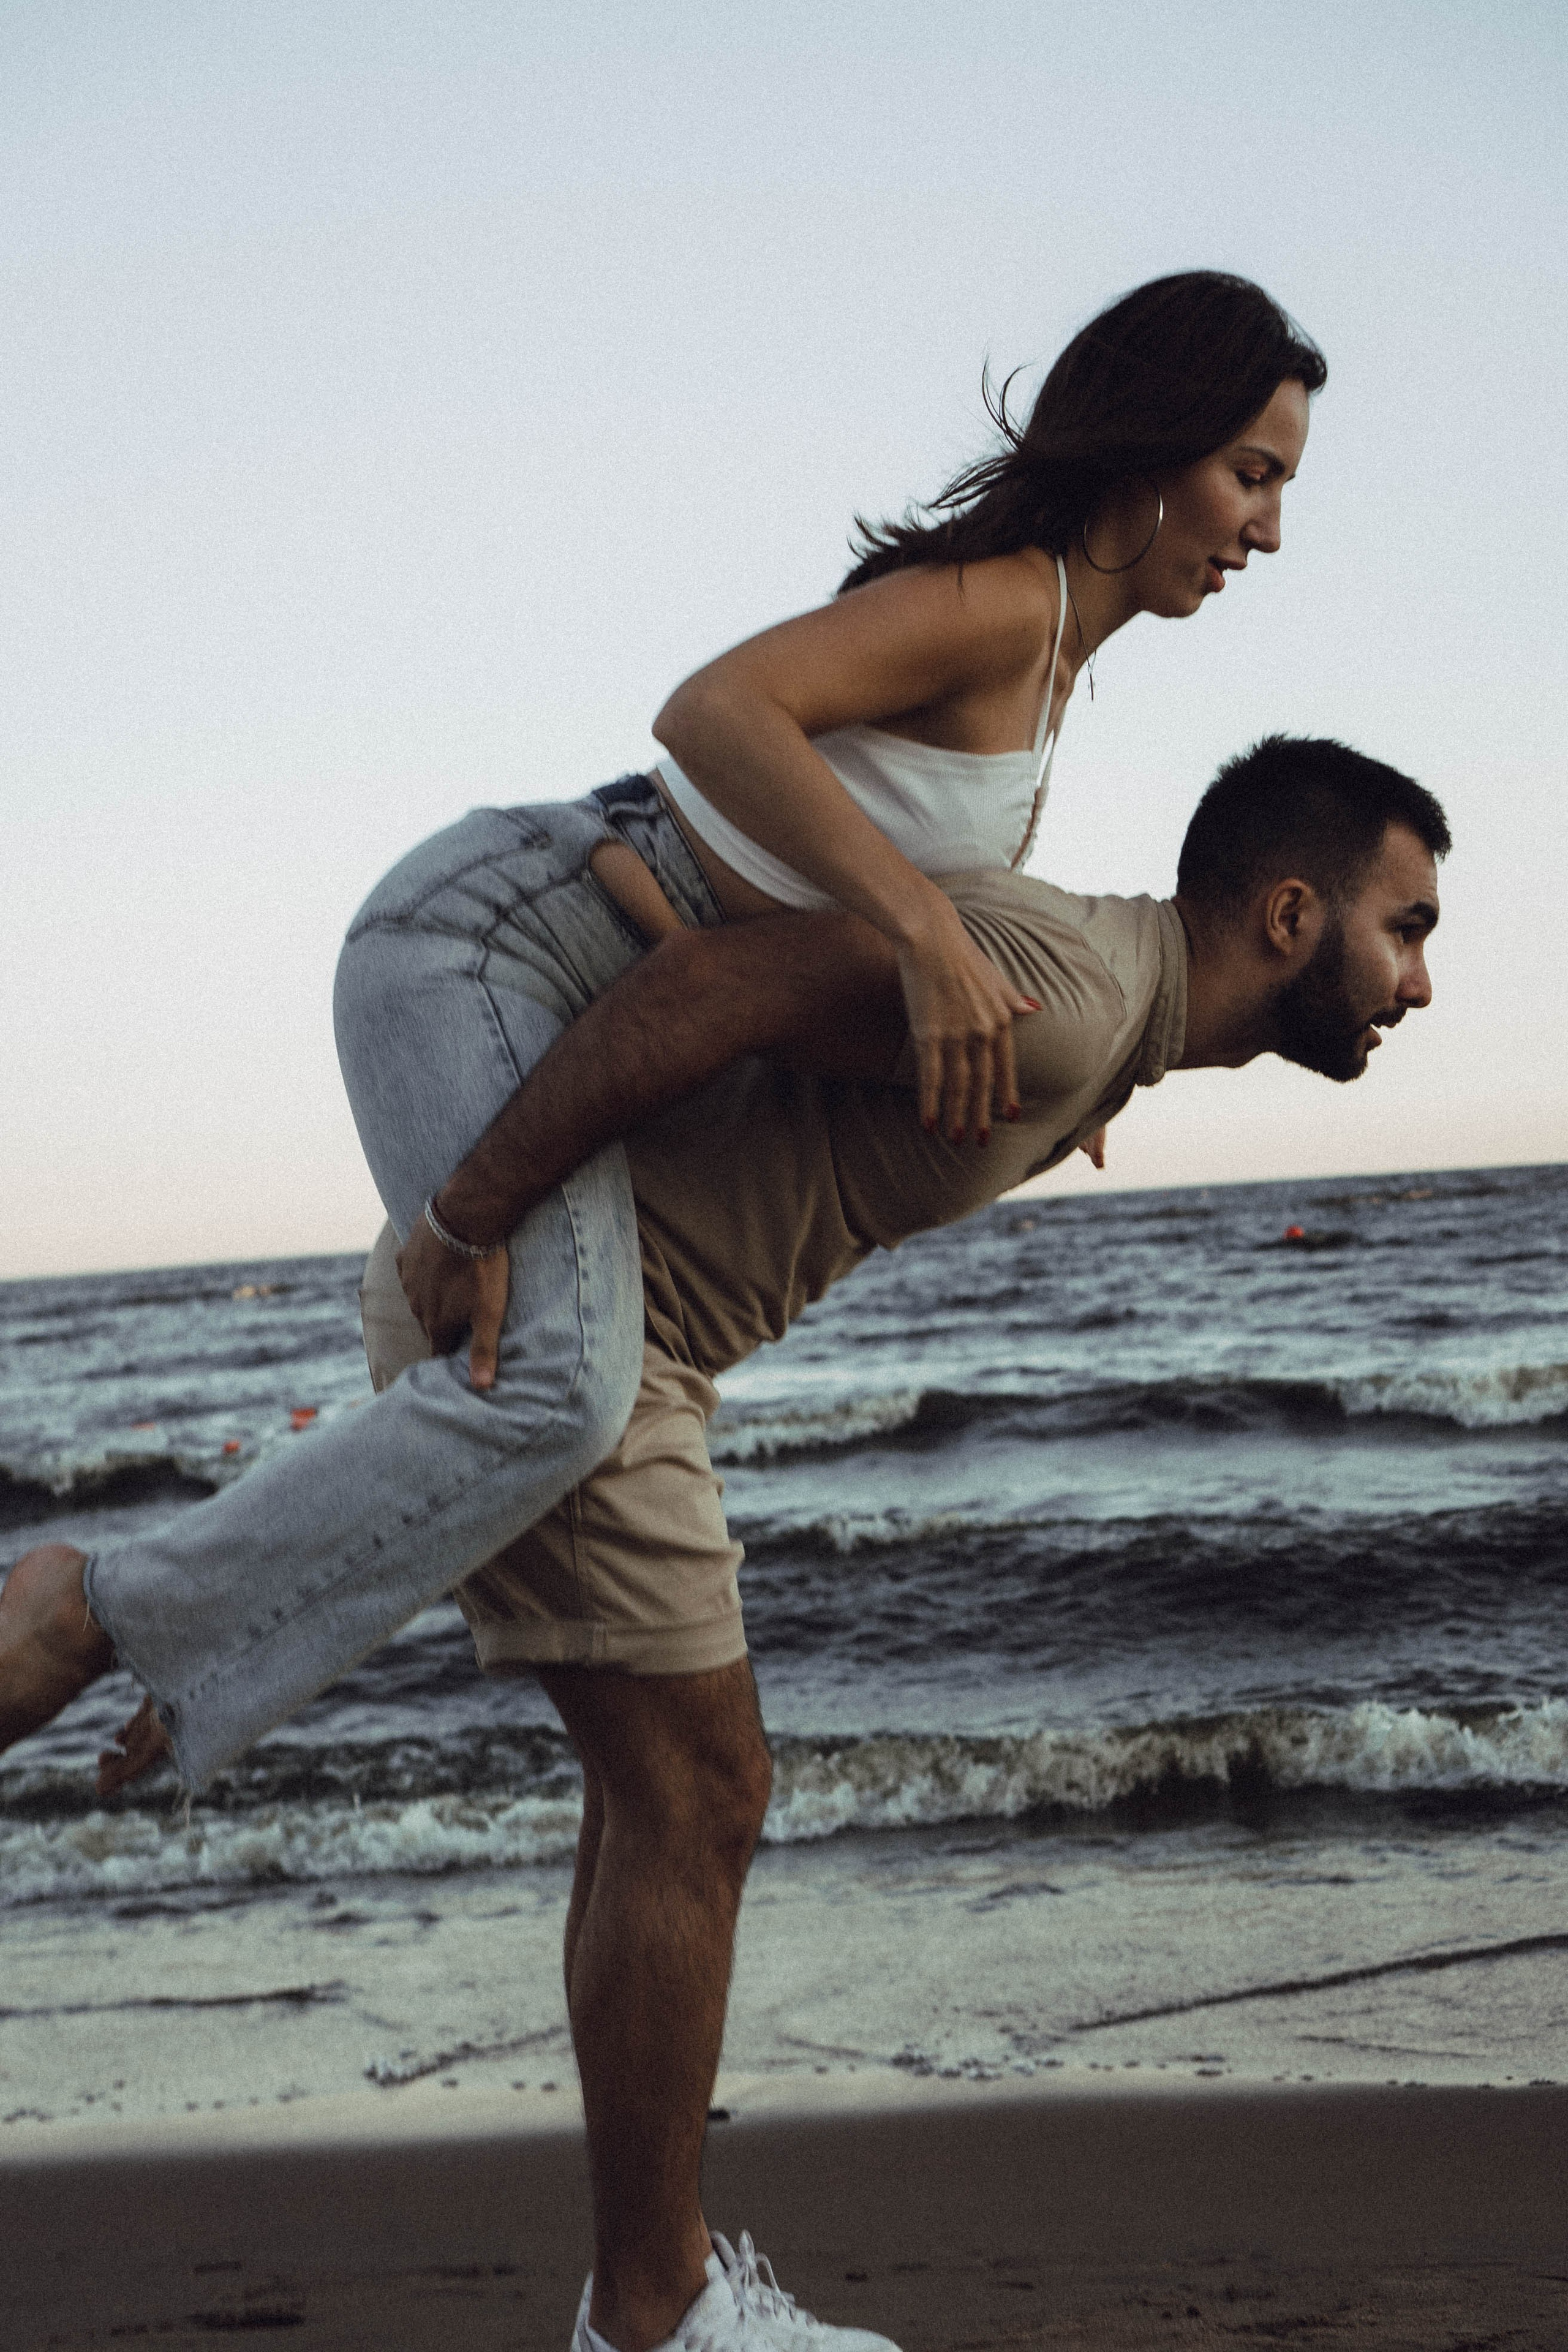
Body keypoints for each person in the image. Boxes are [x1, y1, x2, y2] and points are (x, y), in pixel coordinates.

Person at [110, 740, 1450, 2352]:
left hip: (603, 1334)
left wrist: (1075, 1098)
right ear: (1291, 916)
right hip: (578, 1334)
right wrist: (471, 1216)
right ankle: (654, 2308)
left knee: (665, 1795)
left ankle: (645, 2301)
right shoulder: (1076, 999)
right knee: (701, 1792)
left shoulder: (1096, 1020)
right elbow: (713, 990)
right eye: (1406, 929)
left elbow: (752, 965)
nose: (1419, 982)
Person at [0, 270, 1324, 1794]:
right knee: (567, 1383)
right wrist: (922, 931)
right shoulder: (1005, 602)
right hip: (481, 938)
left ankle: (193, 1642)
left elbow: (785, 931)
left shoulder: (1047, 673)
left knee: (542, 1392)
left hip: (574, 960)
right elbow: (708, 714)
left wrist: (1046, 1068)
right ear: (1154, 445)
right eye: (1251, 475)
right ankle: (92, 1610)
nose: (1266, 530)